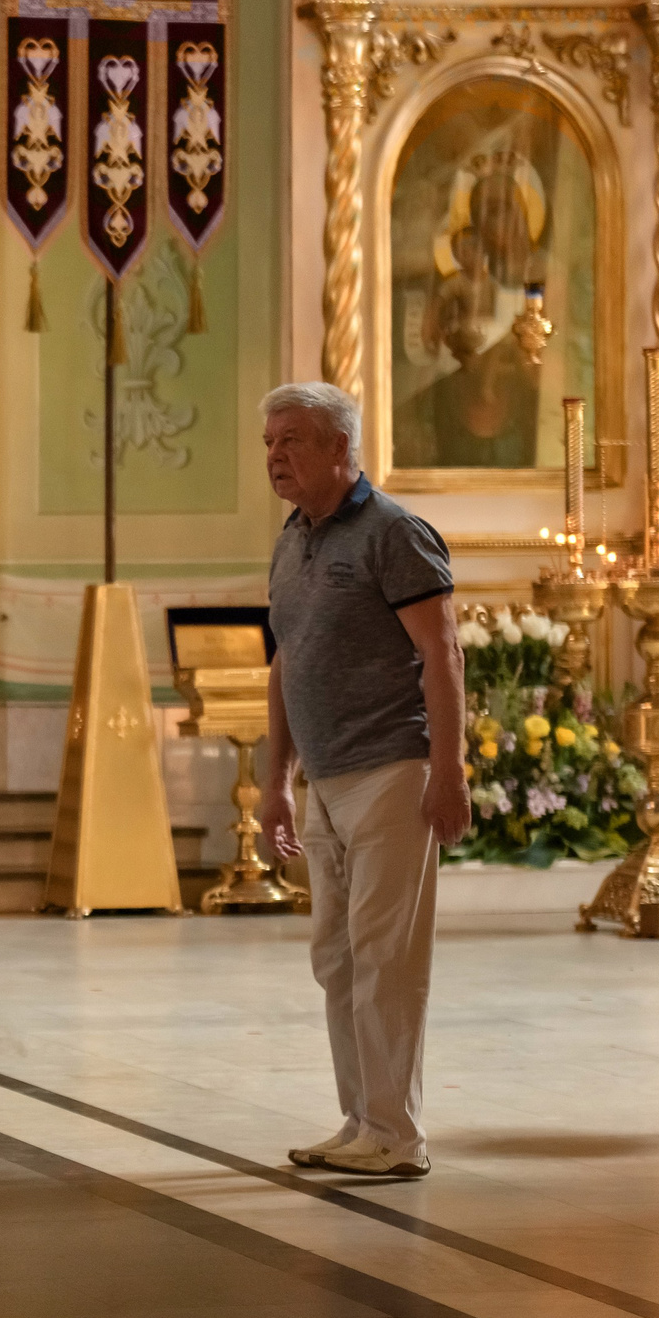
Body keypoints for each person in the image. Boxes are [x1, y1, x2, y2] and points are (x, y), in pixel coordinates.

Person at [255, 382, 469, 1181]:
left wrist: (447, 769)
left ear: (342, 448)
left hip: (391, 769)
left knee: (386, 956)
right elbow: (285, 663)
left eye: (294, 441)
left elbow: (443, 657)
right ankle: (360, 1120)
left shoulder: (394, 534)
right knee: (337, 959)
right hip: (325, 778)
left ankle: (397, 1132)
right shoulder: (291, 539)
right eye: (271, 442)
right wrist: (274, 781)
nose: (276, 456)